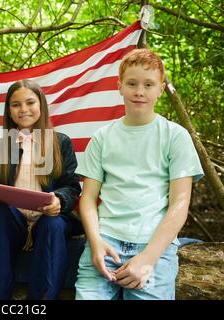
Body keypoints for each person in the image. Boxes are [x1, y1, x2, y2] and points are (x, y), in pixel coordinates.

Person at [74, 48, 204, 300]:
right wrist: (95, 242)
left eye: (148, 84)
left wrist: (148, 258)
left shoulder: (175, 136)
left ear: (161, 89)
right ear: (120, 86)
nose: (139, 91)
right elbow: (88, 198)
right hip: (105, 241)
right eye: (132, 83)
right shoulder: (102, 137)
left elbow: (180, 202)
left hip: (154, 246)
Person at [0, 79, 82, 300]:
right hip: (15, 220)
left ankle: (41, 299)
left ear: (41, 105)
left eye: (30, 102)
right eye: (16, 104)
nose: (23, 110)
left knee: (53, 224)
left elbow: (71, 186)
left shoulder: (60, 142)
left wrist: (59, 199)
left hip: (48, 218)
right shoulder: (4, 145)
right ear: (9, 110)